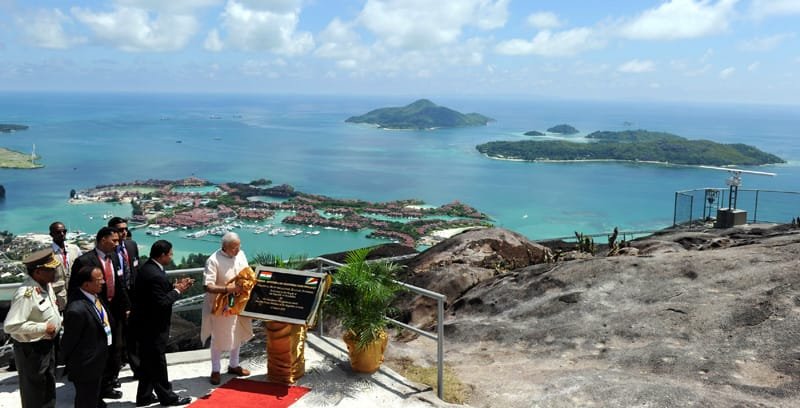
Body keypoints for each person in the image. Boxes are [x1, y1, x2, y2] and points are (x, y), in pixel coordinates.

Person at [129, 240, 193, 406]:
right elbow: (162, 302)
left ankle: (144, 397)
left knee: (148, 364)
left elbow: (154, 293)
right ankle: (168, 397)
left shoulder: (147, 268)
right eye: (170, 254)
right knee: (158, 364)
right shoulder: (155, 274)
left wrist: (173, 286)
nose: (171, 257)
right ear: (162, 255)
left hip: (143, 325)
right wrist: (178, 290)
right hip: (153, 328)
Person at [72, 227, 129, 400]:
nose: (117, 244)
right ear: (103, 240)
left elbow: (119, 284)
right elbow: (74, 290)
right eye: (114, 240)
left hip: (114, 311)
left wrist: (127, 306)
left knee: (115, 348)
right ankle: (97, 386)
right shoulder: (84, 261)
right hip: (94, 312)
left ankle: (108, 383)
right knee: (98, 351)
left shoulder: (113, 258)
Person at [3, 248, 63, 408]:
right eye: (50, 269)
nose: (55, 272)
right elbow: (11, 325)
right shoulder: (26, 294)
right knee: (35, 392)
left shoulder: (45, 285)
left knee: (48, 386)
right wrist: (43, 327)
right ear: (38, 272)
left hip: (47, 345)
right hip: (32, 350)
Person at [201, 232, 253, 385]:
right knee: (217, 338)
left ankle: (234, 365)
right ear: (224, 247)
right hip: (220, 305)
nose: (237, 251)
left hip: (239, 302)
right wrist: (229, 290)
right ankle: (215, 370)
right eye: (233, 248)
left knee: (237, 333)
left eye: (238, 247)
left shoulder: (241, 254)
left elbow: (247, 273)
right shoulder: (213, 260)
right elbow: (207, 286)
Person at [61, 265, 111, 408]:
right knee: (86, 400)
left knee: (93, 397)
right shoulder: (76, 309)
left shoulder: (94, 296)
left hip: (98, 359)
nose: (103, 282)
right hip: (86, 364)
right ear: (86, 284)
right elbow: (69, 342)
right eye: (99, 279)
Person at [107, 216, 140, 377]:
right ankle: (113, 375)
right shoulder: (108, 252)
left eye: (125, 229)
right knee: (116, 341)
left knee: (134, 337)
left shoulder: (132, 246)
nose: (124, 232)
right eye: (120, 230)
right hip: (115, 303)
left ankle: (137, 369)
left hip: (134, 300)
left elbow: (136, 271)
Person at [49, 221, 82, 311]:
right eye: (58, 232)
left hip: (76, 294)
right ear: (51, 234)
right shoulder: (48, 254)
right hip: (58, 298)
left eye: (64, 231)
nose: (62, 234)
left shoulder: (74, 249)